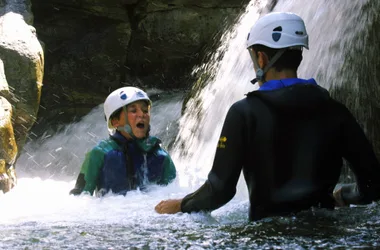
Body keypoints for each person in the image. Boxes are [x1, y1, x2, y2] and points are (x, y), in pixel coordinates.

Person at [154, 12, 380, 221]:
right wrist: (343, 195)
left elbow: (219, 190)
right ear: (299, 56)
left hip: (268, 236)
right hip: (324, 232)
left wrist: (180, 205)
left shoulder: (244, 113)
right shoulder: (335, 110)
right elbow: (372, 184)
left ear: (261, 59)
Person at [69, 86, 176, 196]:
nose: (142, 114)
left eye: (145, 110)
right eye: (133, 111)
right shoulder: (99, 154)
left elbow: (173, 197)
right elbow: (79, 198)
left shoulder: (161, 156)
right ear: (115, 122)